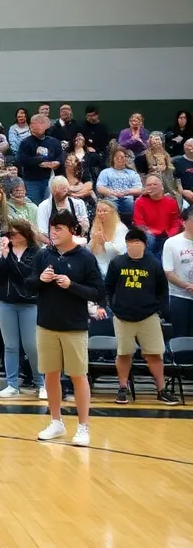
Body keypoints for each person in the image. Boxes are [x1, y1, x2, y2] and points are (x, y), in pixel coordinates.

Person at [28, 211, 104, 447]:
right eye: (52, 228)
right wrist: (40, 279)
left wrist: (72, 286)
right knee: (50, 374)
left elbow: (98, 293)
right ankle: (56, 421)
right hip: (46, 324)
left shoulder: (85, 257)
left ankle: (83, 426)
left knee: (78, 375)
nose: (53, 232)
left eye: (59, 228)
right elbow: (28, 286)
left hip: (74, 326)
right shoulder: (43, 255)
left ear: (72, 229)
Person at [105, 228, 178, 406]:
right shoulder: (117, 262)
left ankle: (161, 390)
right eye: (130, 242)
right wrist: (114, 307)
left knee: (155, 354)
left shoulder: (153, 264)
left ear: (144, 245)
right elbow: (108, 287)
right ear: (126, 245)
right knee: (124, 353)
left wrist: (159, 311)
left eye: (137, 242)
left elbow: (162, 290)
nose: (134, 245)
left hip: (148, 316)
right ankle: (122, 388)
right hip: (123, 317)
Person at [0, 220, 40, 398]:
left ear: (24, 234)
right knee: (10, 346)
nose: (10, 237)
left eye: (14, 234)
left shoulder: (36, 253)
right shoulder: (6, 252)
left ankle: (40, 381)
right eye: (9, 234)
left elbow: (25, 276)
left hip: (29, 303)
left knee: (31, 346)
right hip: (6, 303)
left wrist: (9, 259)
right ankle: (11, 384)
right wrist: (4, 257)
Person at [17, 115, 63, 204]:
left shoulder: (53, 141)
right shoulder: (25, 142)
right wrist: (42, 162)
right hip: (32, 181)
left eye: (40, 123)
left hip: (50, 179)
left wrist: (57, 163)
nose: (34, 126)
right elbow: (22, 159)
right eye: (33, 124)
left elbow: (60, 157)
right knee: (35, 204)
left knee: (49, 205)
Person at [162, 207, 193, 338]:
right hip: (180, 296)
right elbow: (169, 272)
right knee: (181, 335)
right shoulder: (172, 243)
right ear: (184, 222)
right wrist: (187, 286)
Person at [132, 174, 181, 257]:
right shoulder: (139, 202)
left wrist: (172, 235)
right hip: (149, 236)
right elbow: (139, 223)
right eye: (149, 185)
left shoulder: (171, 202)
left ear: (162, 186)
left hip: (166, 235)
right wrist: (151, 232)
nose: (152, 187)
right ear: (145, 188)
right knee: (149, 238)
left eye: (155, 184)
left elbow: (175, 221)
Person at [96, 148, 144, 225]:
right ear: (113, 159)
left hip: (127, 198)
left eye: (122, 157)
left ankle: (128, 225)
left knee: (129, 203)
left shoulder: (132, 173)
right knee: (110, 204)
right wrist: (111, 193)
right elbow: (100, 188)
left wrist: (126, 192)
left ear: (126, 159)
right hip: (110, 198)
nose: (119, 159)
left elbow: (139, 189)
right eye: (117, 157)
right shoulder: (105, 172)